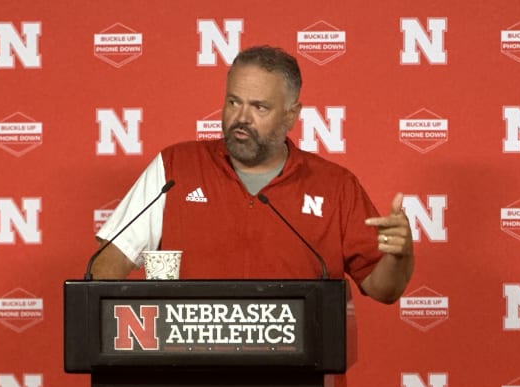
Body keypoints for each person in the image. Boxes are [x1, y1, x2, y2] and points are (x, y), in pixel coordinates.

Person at [92, 45, 413, 305]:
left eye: (259, 108)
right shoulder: (176, 167)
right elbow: (106, 266)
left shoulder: (335, 186)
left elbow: (383, 289)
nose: (241, 118)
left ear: (292, 115)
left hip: (297, 379)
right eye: (233, 102)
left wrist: (400, 255)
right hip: (187, 375)